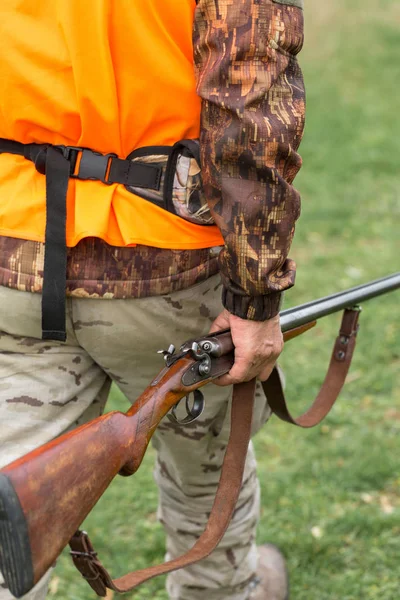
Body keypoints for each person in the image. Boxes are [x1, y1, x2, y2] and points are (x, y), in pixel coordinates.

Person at [0, 0, 305, 598]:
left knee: (12, 477)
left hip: (15, 250)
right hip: (166, 266)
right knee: (206, 480)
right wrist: (254, 301)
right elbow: (252, 116)